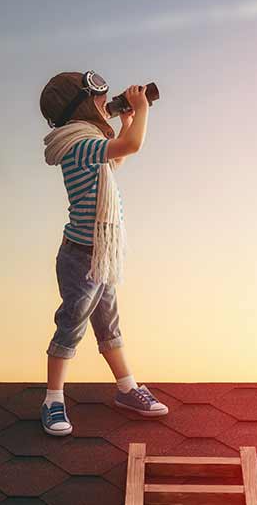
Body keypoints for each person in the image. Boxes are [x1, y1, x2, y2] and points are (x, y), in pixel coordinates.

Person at [38, 70, 167, 436]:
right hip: (82, 257)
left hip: (100, 254)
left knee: (108, 323)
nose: (104, 105)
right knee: (71, 325)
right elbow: (132, 148)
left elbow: (115, 161)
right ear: (82, 108)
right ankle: (53, 400)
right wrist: (141, 111)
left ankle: (127, 388)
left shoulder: (88, 143)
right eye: (99, 100)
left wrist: (125, 121)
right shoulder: (78, 144)